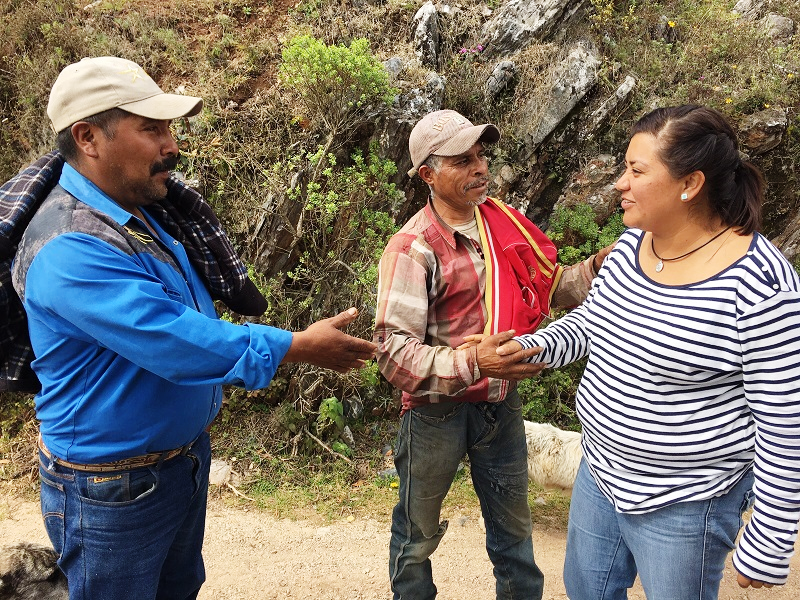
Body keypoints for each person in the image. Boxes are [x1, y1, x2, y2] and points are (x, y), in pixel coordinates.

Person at [7, 56, 376, 600]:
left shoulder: (135, 211)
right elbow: (177, 340)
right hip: (112, 490)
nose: (171, 145)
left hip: (176, 466)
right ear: (88, 137)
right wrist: (298, 346)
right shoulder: (69, 249)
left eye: (170, 128)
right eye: (151, 129)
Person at [496, 105, 800, 598]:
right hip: (600, 474)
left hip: (687, 500)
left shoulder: (760, 286)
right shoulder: (633, 244)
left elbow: (786, 424)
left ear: (690, 183)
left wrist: (768, 539)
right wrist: (528, 347)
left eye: (637, 171)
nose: (620, 183)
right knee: (586, 589)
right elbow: (593, 325)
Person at [373, 108, 612, 600]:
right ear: (428, 174)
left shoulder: (501, 225)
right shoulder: (413, 248)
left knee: (515, 537)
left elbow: (544, 291)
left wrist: (594, 268)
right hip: (434, 415)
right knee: (416, 537)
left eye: (481, 155)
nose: (480, 167)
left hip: (500, 408)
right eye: (462, 160)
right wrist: (474, 361)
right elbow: (393, 354)